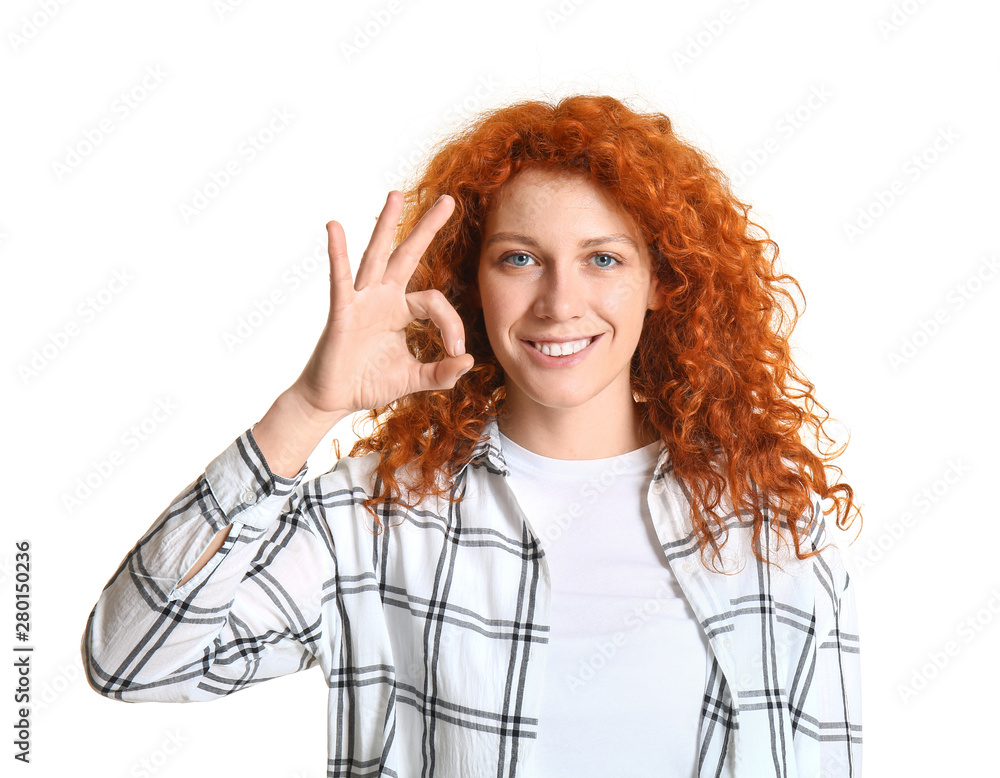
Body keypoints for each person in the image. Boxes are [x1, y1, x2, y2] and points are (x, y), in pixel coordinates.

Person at [82, 94, 862, 777]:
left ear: (662, 281)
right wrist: (309, 407)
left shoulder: (774, 530)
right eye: (519, 258)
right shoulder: (377, 517)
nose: (560, 302)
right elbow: (133, 660)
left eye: (603, 258)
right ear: (470, 281)